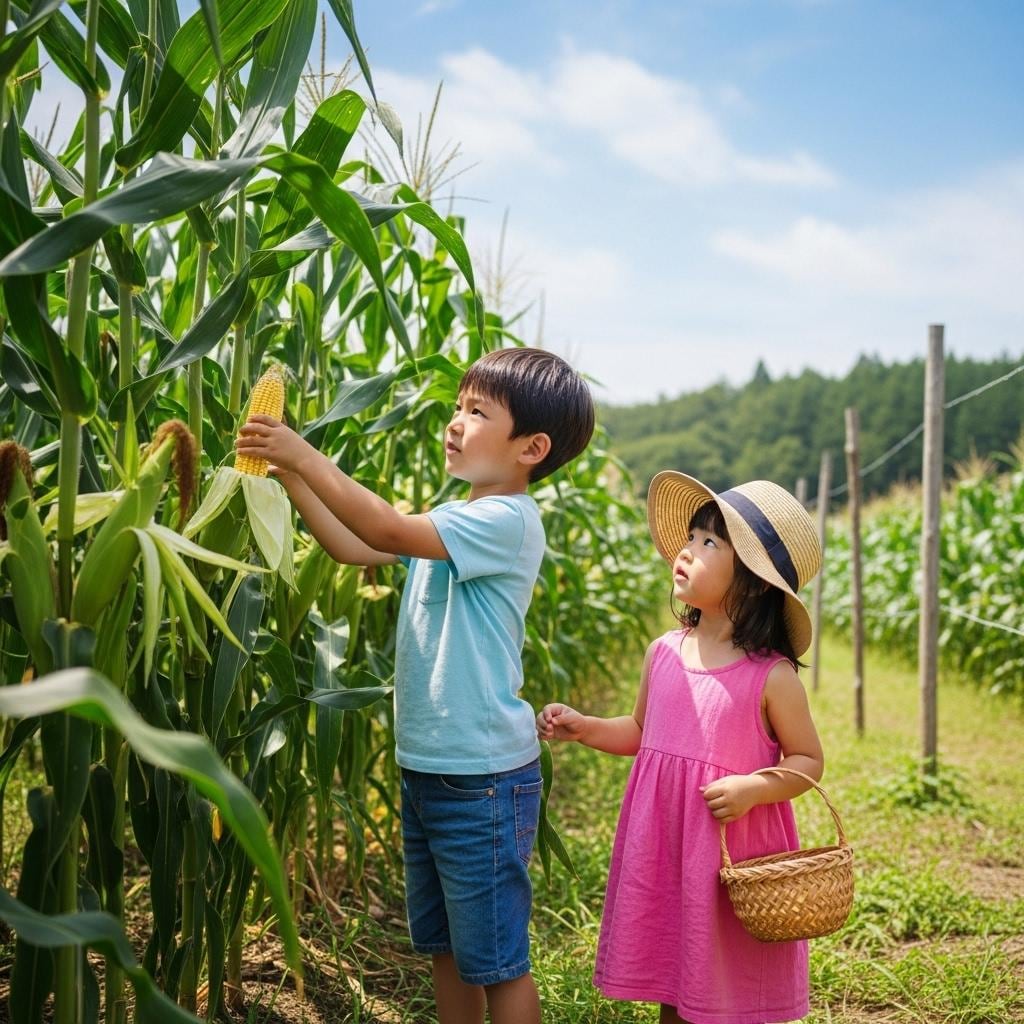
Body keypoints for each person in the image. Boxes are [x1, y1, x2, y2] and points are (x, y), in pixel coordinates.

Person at [236, 347, 594, 1024]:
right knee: (446, 948)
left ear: (532, 448)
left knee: (498, 961)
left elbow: (385, 527)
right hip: (430, 769)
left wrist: (304, 454)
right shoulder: (456, 519)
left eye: (478, 412)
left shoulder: (506, 522)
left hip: (483, 778)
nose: (455, 423)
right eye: (457, 408)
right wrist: (289, 477)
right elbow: (357, 547)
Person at [537, 471, 825, 1024]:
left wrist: (753, 789)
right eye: (690, 538)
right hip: (667, 845)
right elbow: (643, 733)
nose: (687, 551)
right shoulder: (664, 652)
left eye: (709, 543)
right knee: (677, 975)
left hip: (727, 852)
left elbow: (808, 761)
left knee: (725, 985)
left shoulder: (772, 678)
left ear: (756, 581)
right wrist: (585, 726)